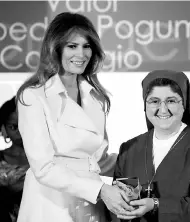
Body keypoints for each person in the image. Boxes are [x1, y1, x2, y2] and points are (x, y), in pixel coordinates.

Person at [16, 12, 133, 222]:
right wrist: (101, 190)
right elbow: (43, 168)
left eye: (86, 46)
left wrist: (143, 160)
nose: (81, 54)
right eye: (72, 46)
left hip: (90, 204)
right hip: (49, 205)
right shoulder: (33, 96)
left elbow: (97, 160)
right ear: (55, 48)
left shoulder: (96, 97)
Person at [113, 70, 190, 221]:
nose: (162, 109)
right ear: (144, 105)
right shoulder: (129, 149)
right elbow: (117, 206)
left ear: (184, 104)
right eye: (154, 101)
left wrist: (156, 205)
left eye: (171, 101)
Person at [0, 97, 29, 222]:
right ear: (3, 128)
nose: (20, 132)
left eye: (25, 125)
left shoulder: (48, 157)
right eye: (13, 127)